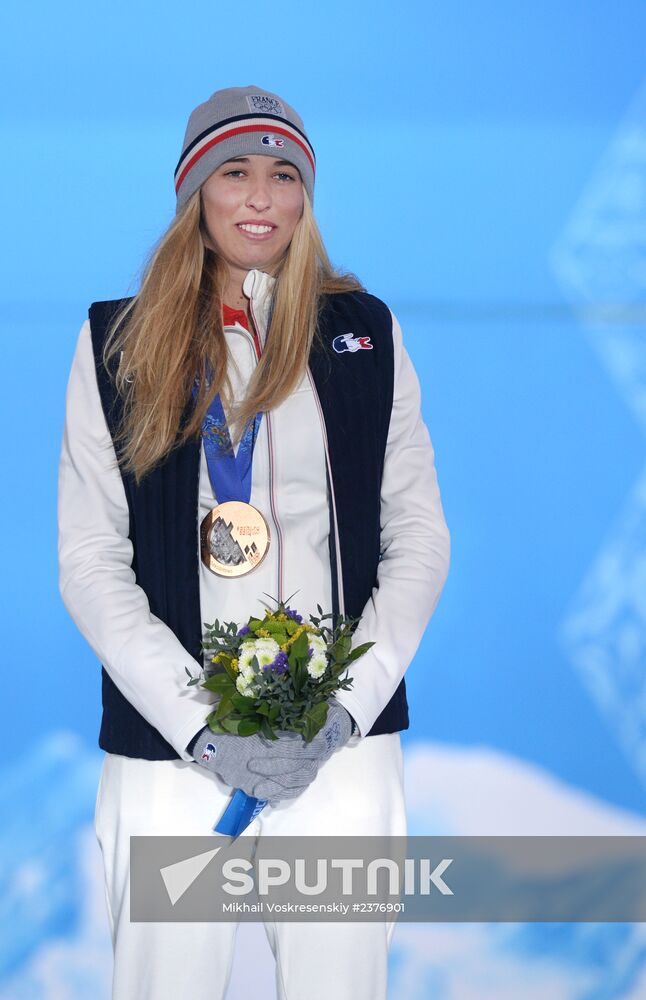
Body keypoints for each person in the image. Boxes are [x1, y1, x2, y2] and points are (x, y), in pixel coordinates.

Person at [57, 85, 450, 1000]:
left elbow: (420, 533)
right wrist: (199, 730)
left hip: (336, 746)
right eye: (235, 173)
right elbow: (89, 557)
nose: (262, 198)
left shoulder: (365, 332)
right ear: (197, 191)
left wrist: (348, 706)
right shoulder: (116, 340)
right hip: (173, 748)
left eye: (284, 175)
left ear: (308, 195)